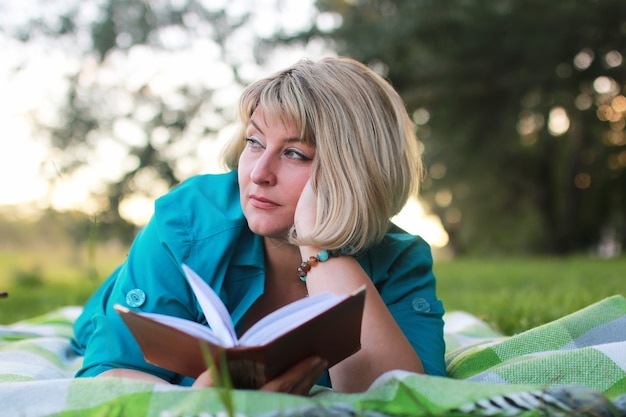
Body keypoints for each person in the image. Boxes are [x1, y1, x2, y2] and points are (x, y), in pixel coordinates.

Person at [71, 56, 446, 394]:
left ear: (358, 172)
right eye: (254, 141)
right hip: (125, 290)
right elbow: (108, 372)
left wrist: (318, 243)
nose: (259, 173)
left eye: (295, 153)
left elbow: (400, 396)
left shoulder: (400, 259)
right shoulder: (186, 220)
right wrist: (205, 404)